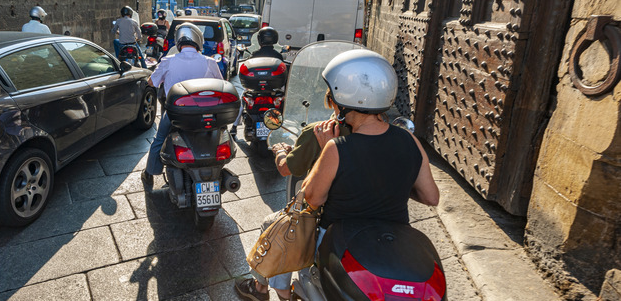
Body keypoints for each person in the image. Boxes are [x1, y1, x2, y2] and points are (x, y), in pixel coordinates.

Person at [235, 49, 440, 301]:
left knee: (275, 223)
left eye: (331, 95)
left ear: (343, 98)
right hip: (393, 239)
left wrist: (324, 151)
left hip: (338, 238)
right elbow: (431, 196)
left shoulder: (336, 147)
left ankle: (275, 292)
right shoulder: (409, 140)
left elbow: (312, 198)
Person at [141, 22, 224, 186]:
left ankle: (150, 172)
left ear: (179, 41)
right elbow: (222, 86)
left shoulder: (168, 61)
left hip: (175, 114)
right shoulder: (209, 62)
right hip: (204, 113)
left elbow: (152, 82)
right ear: (197, 40)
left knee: (159, 139)